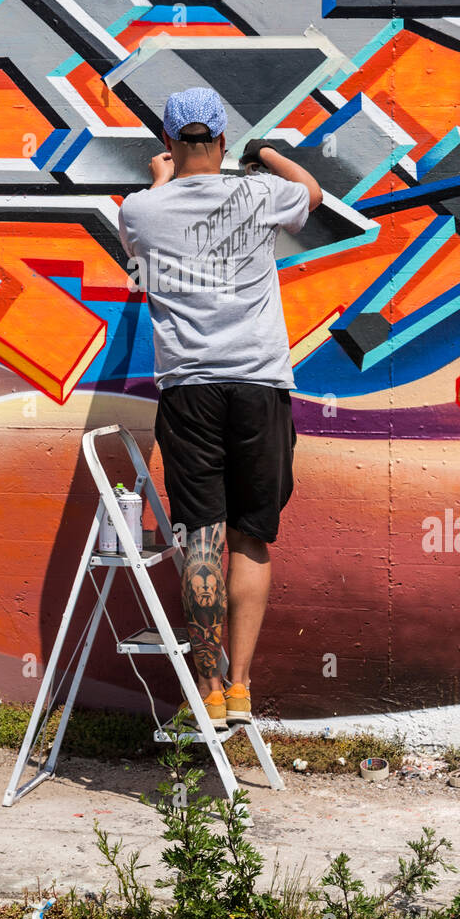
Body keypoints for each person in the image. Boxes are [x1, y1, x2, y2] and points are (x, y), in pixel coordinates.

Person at [117, 86, 323, 729]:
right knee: (252, 538)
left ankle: (204, 690)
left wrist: (161, 178)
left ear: (172, 143)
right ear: (224, 143)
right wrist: (267, 152)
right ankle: (241, 688)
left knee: (201, 536)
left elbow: (149, 212)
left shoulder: (140, 210)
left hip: (189, 390)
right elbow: (310, 194)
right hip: (259, 385)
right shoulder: (261, 194)